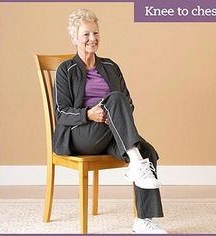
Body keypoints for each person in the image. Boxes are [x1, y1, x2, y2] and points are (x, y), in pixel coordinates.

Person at [53, 9, 167, 234]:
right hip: (81, 133)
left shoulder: (111, 66)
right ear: (74, 38)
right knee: (115, 98)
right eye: (86, 34)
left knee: (147, 150)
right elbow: (61, 112)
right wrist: (88, 114)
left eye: (95, 33)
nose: (92, 39)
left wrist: (110, 115)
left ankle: (143, 221)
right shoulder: (65, 70)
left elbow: (129, 104)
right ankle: (136, 162)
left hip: (109, 130)